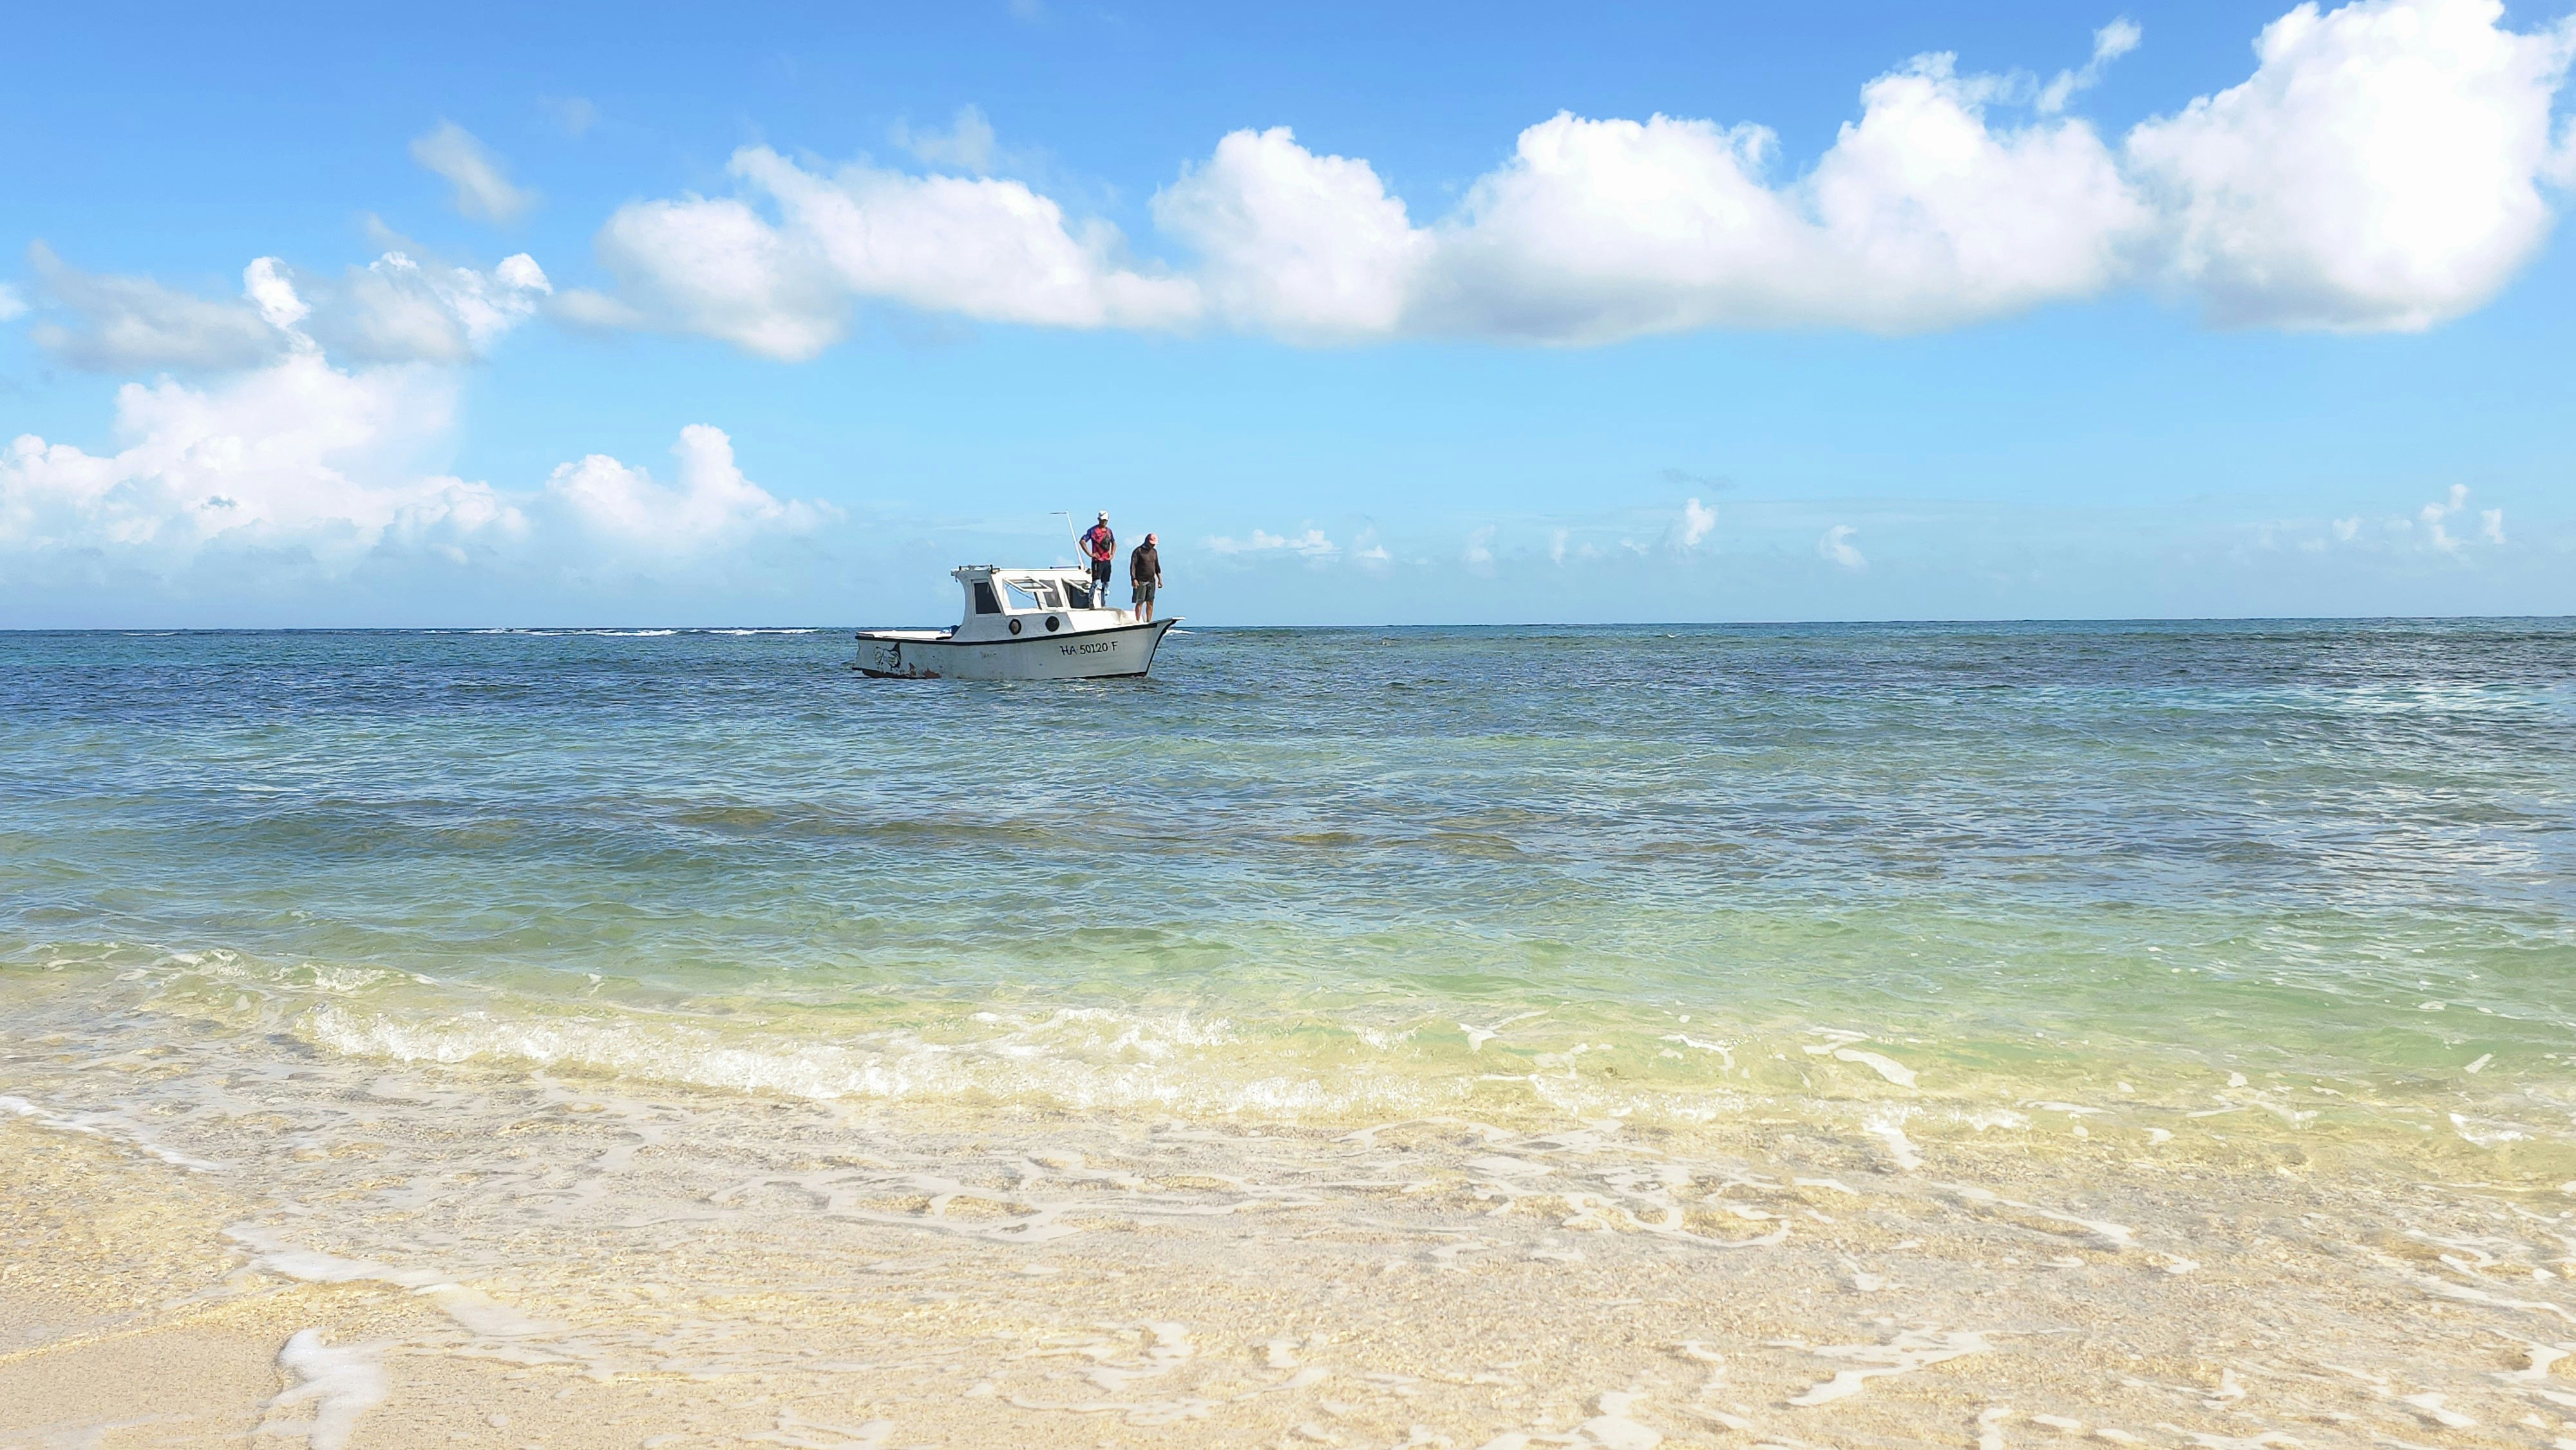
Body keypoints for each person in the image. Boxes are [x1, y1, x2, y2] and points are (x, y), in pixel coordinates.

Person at [1081, 512, 1115, 605]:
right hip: (1097, 561)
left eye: (1105, 520)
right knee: (1095, 582)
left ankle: (1103, 603)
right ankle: (1091, 602)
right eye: (1102, 520)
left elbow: (1114, 542)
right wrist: (1090, 554)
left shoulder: (1109, 531)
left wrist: (1112, 554)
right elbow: (1083, 541)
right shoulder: (1093, 531)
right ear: (1099, 520)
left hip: (1107, 561)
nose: (1104, 522)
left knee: (1106, 583)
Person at [1129, 532, 1162, 622]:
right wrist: (1134, 579)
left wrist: (1160, 580)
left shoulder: (1154, 552)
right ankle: (1137, 620)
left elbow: (1157, 566)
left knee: (1150, 602)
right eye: (1152, 544)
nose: (1153, 546)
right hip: (1141, 581)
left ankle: (1149, 620)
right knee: (1140, 602)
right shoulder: (1138, 551)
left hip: (1152, 580)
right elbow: (1133, 566)